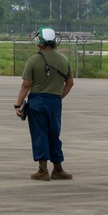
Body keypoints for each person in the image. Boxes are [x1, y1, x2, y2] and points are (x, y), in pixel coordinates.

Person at [15, 27, 74, 181]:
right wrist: (58, 97)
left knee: (40, 134)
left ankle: (43, 170)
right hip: (55, 102)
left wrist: (18, 104)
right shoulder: (64, 60)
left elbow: (26, 85)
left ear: (40, 41)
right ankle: (58, 169)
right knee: (54, 133)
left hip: (37, 102)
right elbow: (70, 83)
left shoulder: (33, 60)